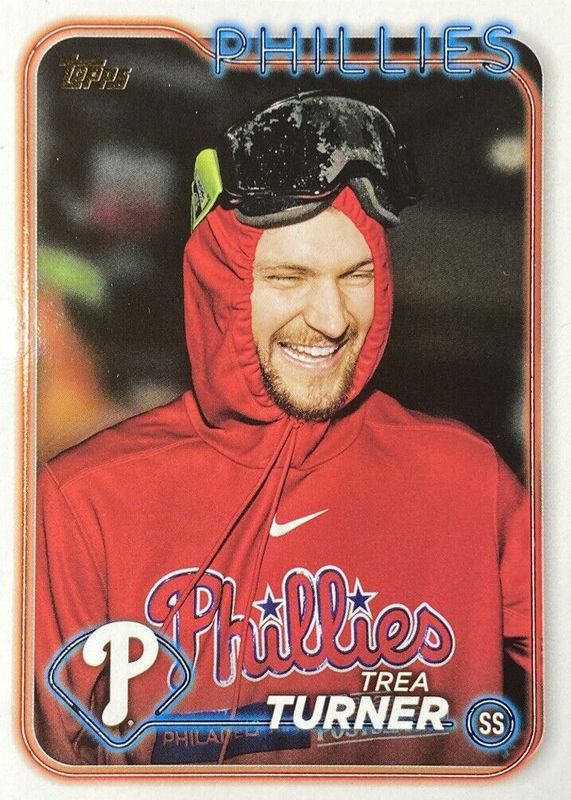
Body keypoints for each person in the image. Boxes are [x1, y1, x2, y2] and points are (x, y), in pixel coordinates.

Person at [34, 92, 532, 769]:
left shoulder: (468, 481)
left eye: (355, 276)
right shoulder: (84, 502)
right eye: (288, 277)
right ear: (219, 285)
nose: (331, 318)